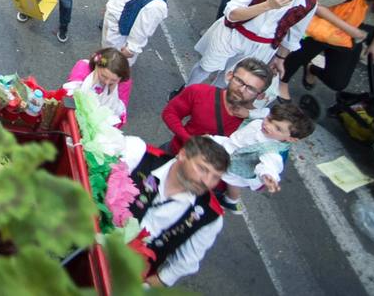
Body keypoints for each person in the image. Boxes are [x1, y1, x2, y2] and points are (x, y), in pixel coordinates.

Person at [121, 134, 230, 287]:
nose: (207, 182)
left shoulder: (210, 217)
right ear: (183, 154)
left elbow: (183, 264)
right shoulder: (139, 155)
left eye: (216, 177)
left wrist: (143, 287)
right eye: (202, 169)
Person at [189, 0, 320, 85]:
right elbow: (233, 15)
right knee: (206, 68)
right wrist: (268, 5)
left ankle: (208, 104)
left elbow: (293, 35)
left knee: (232, 80)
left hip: (263, 47)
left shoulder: (309, 4)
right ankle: (185, 93)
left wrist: (280, 58)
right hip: (232, 32)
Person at [163, 57, 274, 155]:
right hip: (174, 153)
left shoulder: (259, 125)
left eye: (251, 88)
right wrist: (187, 140)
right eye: (239, 80)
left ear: (260, 96)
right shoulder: (199, 92)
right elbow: (170, 113)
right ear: (229, 76)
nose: (241, 89)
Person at [212, 102, 314, 206]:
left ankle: (231, 200)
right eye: (269, 119)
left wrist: (268, 175)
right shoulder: (262, 125)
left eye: (278, 128)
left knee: (232, 182)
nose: (268, 125)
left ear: (291, 139)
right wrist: (249, 113)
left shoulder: (271, 150)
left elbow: (270, 164)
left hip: (236, 165)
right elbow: (264, 112)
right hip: (231, 147)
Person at [64, 47, 132, 127]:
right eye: (104, 76)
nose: (107, 82)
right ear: (97, 66)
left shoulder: (124, 83)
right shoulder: (83, 67)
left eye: (113, 80)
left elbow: (119, 113)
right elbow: (69, 97)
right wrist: (92, 83)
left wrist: (113, 92)